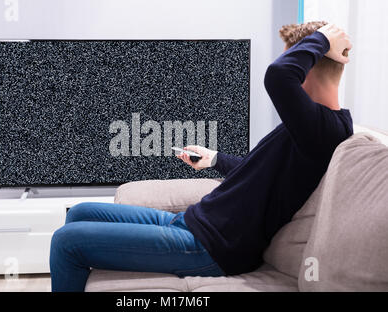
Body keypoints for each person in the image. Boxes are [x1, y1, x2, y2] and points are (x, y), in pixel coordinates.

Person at [49, 22, 354, 292]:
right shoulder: (309, 125)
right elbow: (257, 170)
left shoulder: (325, 130)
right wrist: (214, 159)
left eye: (294, 58)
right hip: (189, 222)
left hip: (207, 248)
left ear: (308, 65)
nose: (288, 64)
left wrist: (322, 38)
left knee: (67, 243)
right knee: (78, 213)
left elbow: (277, 76)